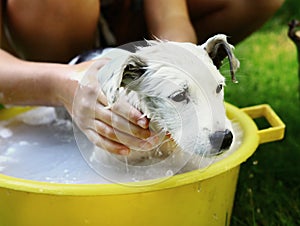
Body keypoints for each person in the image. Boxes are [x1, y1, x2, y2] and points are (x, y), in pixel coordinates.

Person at [0, 0, 284, 155]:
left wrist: (177, 73)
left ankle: (135, 73)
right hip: (36, 33)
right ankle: (62, 94)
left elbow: (172, 19)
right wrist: (61, 85)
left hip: (122, 23)